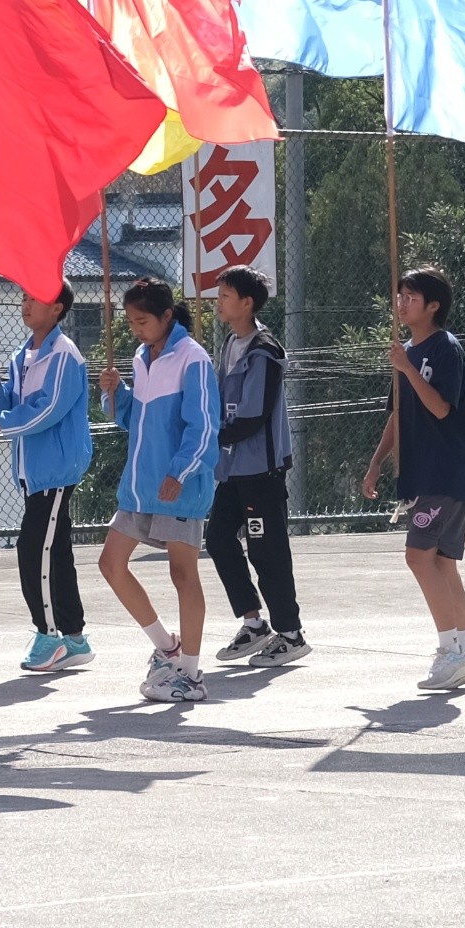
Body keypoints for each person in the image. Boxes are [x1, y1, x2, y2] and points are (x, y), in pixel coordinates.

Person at [98, 281, 223, 703]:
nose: (136, 330)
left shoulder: (193, 359)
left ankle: (190, 672)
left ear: (167, 316)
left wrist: (180, 472)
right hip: (140, 486)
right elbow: (131, 419)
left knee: (183, 575)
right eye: (131, 322)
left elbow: (204, 426)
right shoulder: (140, 357)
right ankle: (166, 646)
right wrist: (113, 394)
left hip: (179, 487)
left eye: (143, 321)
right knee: (110, 564)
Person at [361, 266, 465, 692]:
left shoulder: (444, 349)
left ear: (433, 305)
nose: (402, 303)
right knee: (442, 564)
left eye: (411, 297)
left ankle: (449, 652)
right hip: (421, 472)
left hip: (444, 469)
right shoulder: (406, 350)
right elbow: (398, 414)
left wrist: (408, 368)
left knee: (418, 557)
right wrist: (378, 461)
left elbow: (440, 409)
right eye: (400, 296)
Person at [0, 273, 97, 674]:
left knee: (34, 549)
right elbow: (11, 402)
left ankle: (48, 633)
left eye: (35, 298)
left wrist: (6, 421)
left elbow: (50, 410)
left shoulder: (64, 355)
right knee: (56, 551)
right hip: (34, 471)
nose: (26, 304)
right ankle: (74, 636)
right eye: (25, 296)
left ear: (58, 309)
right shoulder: (24, 355)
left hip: (55, 469)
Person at [205, 267, 307, 668]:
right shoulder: (231, 342)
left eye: (226, 295)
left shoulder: (264, 350)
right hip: (232, 470)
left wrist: (213, 436)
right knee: (217, 540)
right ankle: (253, 622)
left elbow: (253, 415)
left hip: (260, 470)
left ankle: (291, 633)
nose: (219, 302)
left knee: (268, 552)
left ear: (247, 303)